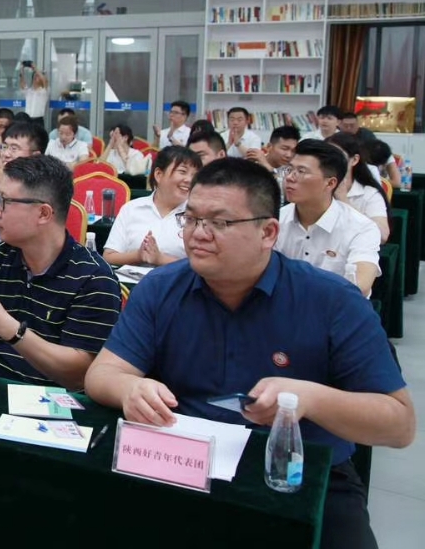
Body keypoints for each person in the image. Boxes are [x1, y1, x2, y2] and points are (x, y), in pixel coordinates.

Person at [84, 158, 414, 549]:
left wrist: (308, 399)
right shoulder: (160, 287)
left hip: (299, 470)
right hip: (185, 458)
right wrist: (129, 389)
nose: (198, 234)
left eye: (219, 222)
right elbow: (101, 375)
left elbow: (399, 425)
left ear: (268, 232)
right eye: (190, 219)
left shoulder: (331, 300)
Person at [0, 155, 122, 387]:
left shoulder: (94, 278)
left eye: (5, 202)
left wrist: (8, 328)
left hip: (58, 401)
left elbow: (80, 375)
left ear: (43, 213)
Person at [276, 140, 380, 297]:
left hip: (335, 308)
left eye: (301, 171)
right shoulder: (276, 219)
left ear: (330, 183)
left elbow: (361, 286)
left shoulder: (361, 228)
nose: (290, 177)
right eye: (289, 169)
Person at [103, 146, 201, 267]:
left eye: (195, 175)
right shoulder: (132, 208)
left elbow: (203, 265)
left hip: (177, 279)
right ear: (159, 174)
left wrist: (161, 259)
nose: (189, 180)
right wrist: (138, 255)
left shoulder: (198, 215)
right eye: (182, 172)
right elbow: (109, 256)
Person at [328, 132, 390, 244]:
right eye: (327, 157)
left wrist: (344, 201)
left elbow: (382, 236)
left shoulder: (369, 193)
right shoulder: (315, 188)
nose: (331, 162)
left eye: (338, 156)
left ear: (354, 160)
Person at [247, 125, 301, 197]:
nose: (289, 155)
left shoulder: (292, 169)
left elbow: (286, 193)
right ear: (269, 147)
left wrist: (268, 167)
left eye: (293, 151)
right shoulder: (254, 164)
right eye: (285, 149)